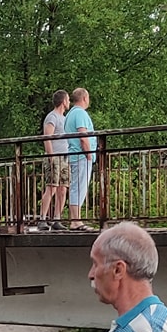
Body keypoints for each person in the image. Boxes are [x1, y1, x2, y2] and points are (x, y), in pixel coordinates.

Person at [63, 88, 98, 230]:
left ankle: (75, 220)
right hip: (81, 156)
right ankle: (76, 221)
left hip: (74, 155)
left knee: (76, 187)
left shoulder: (69, 115)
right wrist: (89, 153)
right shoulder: (80, 113)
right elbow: (83, 136)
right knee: (79, 187)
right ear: (84, 98)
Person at [36, 90, 70, 230]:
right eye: (68, 99)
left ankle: (57, 218)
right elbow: (47, 138)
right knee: (52, 187)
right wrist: (50, 157)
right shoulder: (52, 117)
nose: (69, 102)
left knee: (63, 189)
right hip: (55, 156)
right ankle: (42, 218)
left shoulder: (65, 118)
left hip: (64, 157)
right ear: (63, 101)